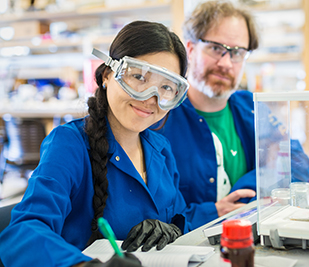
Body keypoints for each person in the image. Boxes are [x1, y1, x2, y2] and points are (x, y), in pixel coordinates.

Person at [0, 21, 190, 267]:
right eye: (138, 77)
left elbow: (181, 215)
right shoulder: (69, 145)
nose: (150, 99)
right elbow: (23, 232)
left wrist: (173, 229)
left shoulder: (161, 149)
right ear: (108, 76)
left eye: (165, 87)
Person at [157, 1, 309, 230]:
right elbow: (152, 210)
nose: (226, 63)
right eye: (215, 48)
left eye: (237, 52)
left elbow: (300, 166)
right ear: (190, 48)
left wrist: (245, 194)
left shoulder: (249, 106)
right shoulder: (160, 115)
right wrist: (212, 212)